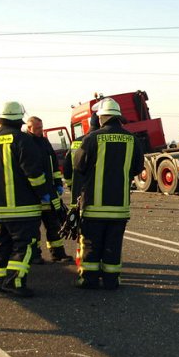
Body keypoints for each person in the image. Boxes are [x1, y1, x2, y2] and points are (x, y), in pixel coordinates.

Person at [0, 101, 51, 297]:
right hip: (23, 208)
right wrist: (44, 194)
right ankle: (16, 282)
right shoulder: (22, 140)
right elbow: (34, 174)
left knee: (2, 245)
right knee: (24, 245)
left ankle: (2, 280)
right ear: (19, 120)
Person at [73, 97, 144, 289]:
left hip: (94, 206)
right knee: (113, 245)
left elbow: (78, 165)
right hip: (119, 207)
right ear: (118, 117)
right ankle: (111, 280)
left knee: (91, 244)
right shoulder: (132, 139)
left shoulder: (92, 138)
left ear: (101, 118)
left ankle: (89, 280)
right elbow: (138, 168)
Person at [26, 116, 73, 264]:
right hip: (33, 194)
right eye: (38, 128)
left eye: (41, 127)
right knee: (33, 230)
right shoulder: (25, 143)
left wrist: (58, 182)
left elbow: (53, 164)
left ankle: (58, 254)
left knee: (54, 225)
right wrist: (39, 191)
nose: (41, 130)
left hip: (50, 192)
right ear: (29, 128)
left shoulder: (45, 142)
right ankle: (35, 256)